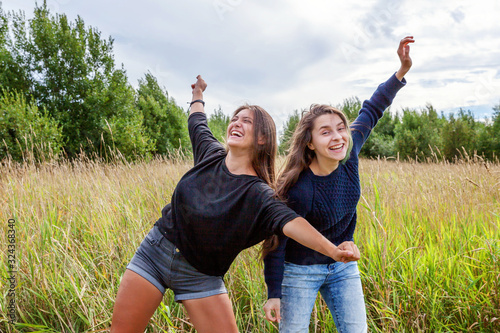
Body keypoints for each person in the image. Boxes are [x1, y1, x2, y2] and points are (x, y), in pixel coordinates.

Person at [110, 75, 360, 333]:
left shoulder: (260, 195)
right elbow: (197, 120)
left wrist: (332, 251)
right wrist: (197, 95)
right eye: (234, 119)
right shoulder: (209, 153)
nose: (236, 123)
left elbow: (292, 223)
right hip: (154, 253)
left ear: (262, 138)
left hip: (201, 276)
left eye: (247, 121)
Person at [262, 36, 414, 332]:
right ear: (310, 143)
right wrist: (274, 293)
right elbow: (276, 240)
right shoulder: (297, 186)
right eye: (326, 132)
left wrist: (401, 71)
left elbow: (373, 108)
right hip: (299, 270)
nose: (338, 137)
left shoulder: (350, 151)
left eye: (341, 129)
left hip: (342, 268)